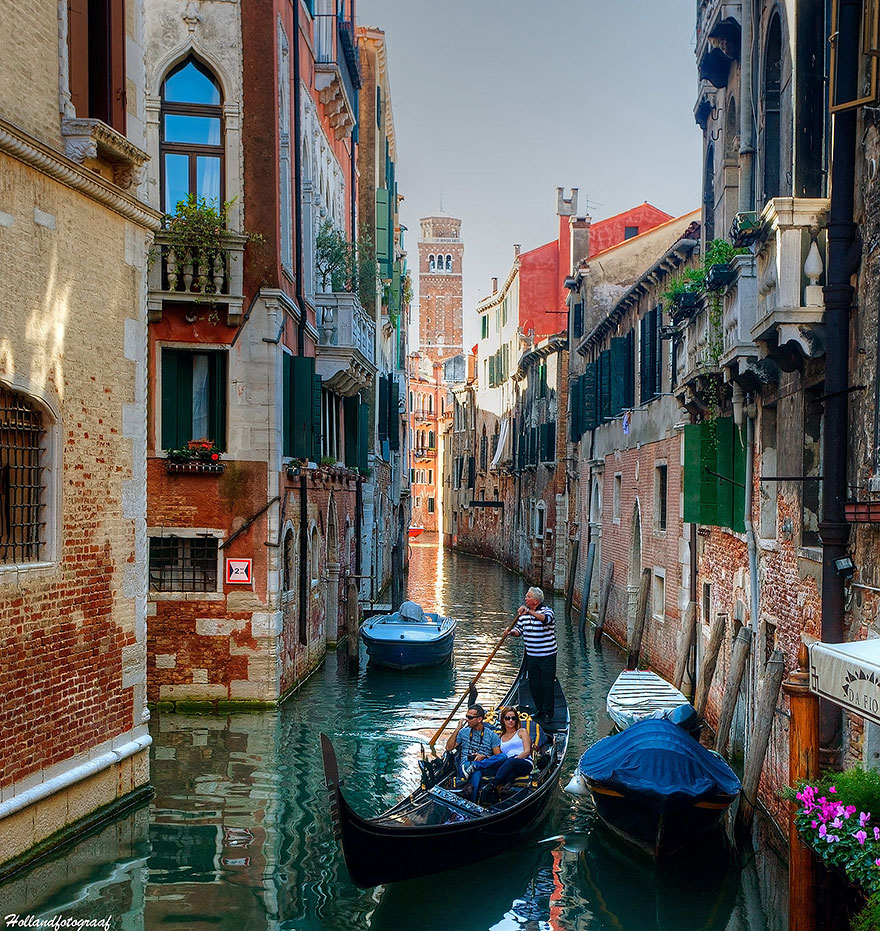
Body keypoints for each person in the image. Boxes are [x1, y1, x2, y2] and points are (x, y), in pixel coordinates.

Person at [508, 586, 557, 724]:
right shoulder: (523, 615)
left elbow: (545, 619)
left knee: (547, 685)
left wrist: (529, 612)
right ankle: (539, 710)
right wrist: (510, 632)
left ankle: (548, 713)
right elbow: (519, 630)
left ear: (535, 601)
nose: (525, 598)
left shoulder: (548, 611)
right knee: (534, 684)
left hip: (547, 656)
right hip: (532, 656)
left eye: (528, 596)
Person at [465, 706, 534, 804]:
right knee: (500, 772)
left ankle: (492, 785)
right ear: (503, 720)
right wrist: (484, 756)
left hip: (524, 763)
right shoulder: (500, 737)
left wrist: (513, 760)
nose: (510, 721)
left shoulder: (521, 732)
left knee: (511, 761)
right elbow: (497, 755)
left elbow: (527, 751)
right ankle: (474, 800)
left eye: (513, 718)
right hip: (508, 766)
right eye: (507, 718)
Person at [445, 703, 500, 793]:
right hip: (465, 766)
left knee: (503, 757)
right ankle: (473, 801)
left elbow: (498, 757)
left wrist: (484, 757)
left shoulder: (491, 735)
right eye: (466, 716)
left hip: (483, 765)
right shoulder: (463, 732)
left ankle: (474, 766)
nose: (467, 720)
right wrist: (458, 728)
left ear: (479, 719)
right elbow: (448, 747)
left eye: (470, 718)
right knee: (476, 773)